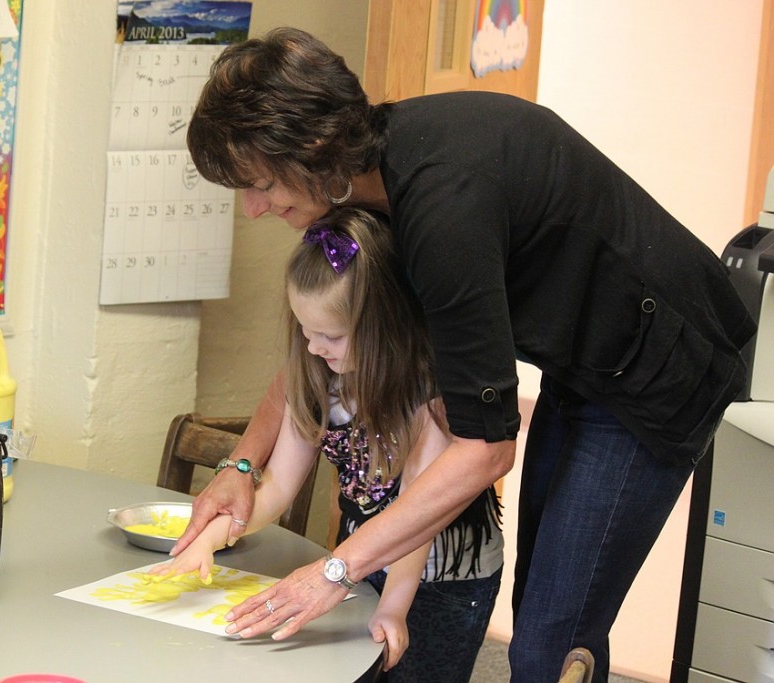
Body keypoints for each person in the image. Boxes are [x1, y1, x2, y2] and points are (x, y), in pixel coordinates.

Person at [173, 27, 757, 682]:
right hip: (590, 361)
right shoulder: (370, 190)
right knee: (552, 608)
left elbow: (486, 449)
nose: (253, 209)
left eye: (257, 184)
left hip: (664, 368)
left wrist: (336, 569)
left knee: (548, 640)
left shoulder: (442, 208)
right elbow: (311, 363)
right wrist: (242, 462)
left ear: (310, 147)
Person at [153, 207, 504, 681]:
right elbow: (276, 487)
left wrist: (396, 607)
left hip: (441, 578)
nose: (313, 346)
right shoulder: (322, 377)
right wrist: (210, 541)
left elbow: (418, 516)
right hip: (354, 559)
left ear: (384, 326)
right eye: (303, 328)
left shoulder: (430, 396)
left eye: (330, 335)